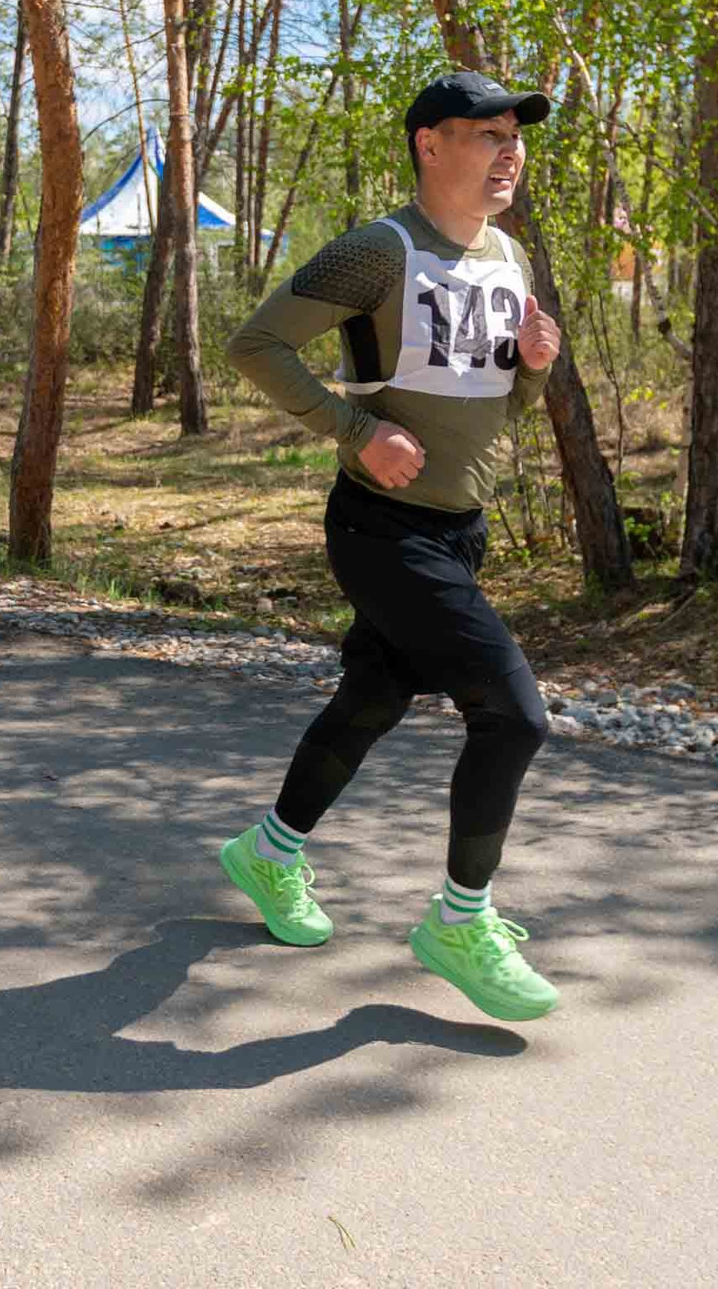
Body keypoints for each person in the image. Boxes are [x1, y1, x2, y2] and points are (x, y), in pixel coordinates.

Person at [218, 72, 566, 1023]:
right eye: (486, 133)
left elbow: (504, 409)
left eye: (515, 138)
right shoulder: (382, 250)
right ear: (428, 144)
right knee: (514, 715)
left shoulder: (510, 257)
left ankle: (270, 850)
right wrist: (351, 428)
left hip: (462, 531)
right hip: (380, 527)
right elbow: (254, 344)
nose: (509, 152)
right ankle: (462, 919)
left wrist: (535, 371)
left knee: (374, 694)